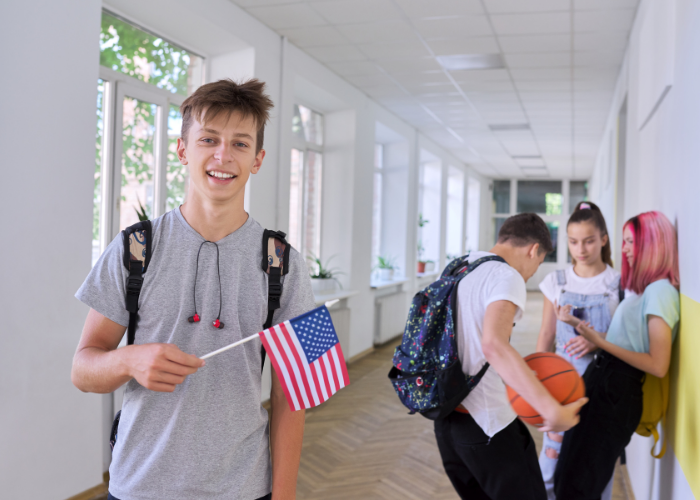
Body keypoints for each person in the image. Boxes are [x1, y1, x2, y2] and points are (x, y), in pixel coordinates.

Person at [71, 79, 316, 500]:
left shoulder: (286, 262)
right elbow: (82, 372)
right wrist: (130, 360)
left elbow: (296, 394)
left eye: (240, 144)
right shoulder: (134, 248)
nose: (223, 155)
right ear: (183, 150)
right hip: (138, 485)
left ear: (257, 160)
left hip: (242, 487)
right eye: (209, 139)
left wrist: (286, 495)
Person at [434, 213, 588, 500]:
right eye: (538, 264)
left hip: (446, 421)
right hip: (486, 422)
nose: (531, 273)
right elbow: (493, 345)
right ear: (533, 250)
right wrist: (549, 407)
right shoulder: (506, 275)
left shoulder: (459, 266)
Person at [554, 211, 680, 500]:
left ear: (652, 243)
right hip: (603, 381)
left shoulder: (661, 292)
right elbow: (629, 340)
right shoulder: (647, 290)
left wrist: (599, 341)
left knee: (580, 484)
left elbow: (658, 364)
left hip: (616, 390)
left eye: (629, 242)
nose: (623, 249)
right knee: (569, 476)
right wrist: (580, 327)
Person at [535, 201, 621, 500]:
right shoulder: (555, 282)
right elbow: (546, 336)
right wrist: (537, 386)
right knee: (548, 469)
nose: (580, 249)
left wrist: (598, 339)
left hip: (603, 393)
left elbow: (630, 342)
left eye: (588, 241)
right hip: (562, 390)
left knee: (597, 473)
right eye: (573, 242)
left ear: (603, 239)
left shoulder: (618, 285)